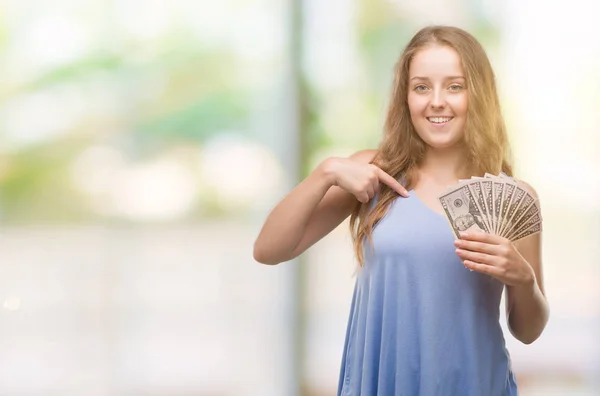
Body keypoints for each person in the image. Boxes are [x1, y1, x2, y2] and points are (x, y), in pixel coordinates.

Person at [253, 25, 549, 396]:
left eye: (455, 86)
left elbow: (528, 331)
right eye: (422, 87)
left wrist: (523, 279)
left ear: (479, 94)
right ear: (405, 97)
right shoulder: (374, 174)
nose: (436, 101)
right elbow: (268, 250)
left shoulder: (511, 198)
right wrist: (325, 172)